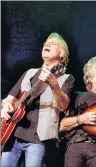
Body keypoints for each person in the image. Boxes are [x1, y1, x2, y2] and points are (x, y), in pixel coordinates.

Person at [1, 32, 75, 167]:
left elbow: (63, 106)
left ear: (62, 55)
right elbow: (8, 99)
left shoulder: (66, 79)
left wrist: (54, 85)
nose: (47, 44)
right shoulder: (29, 73)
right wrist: (5, 107)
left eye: (53, 44)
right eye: (46, 43)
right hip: (12, 133)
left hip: (38, 139)